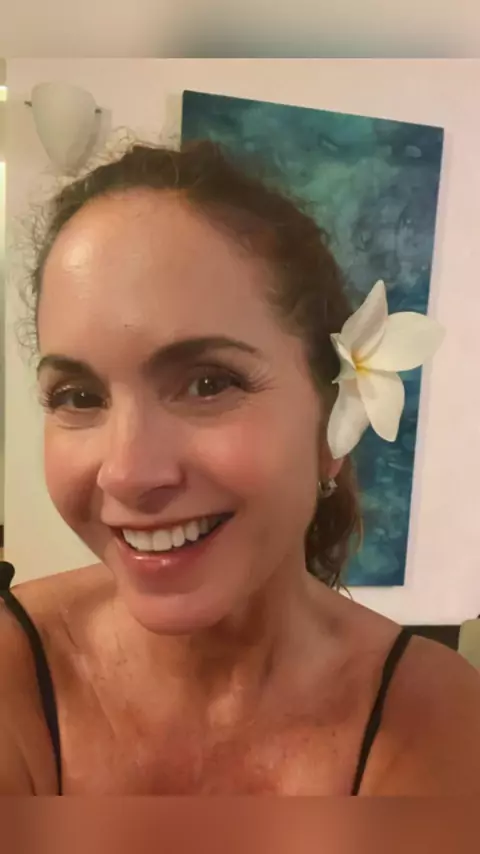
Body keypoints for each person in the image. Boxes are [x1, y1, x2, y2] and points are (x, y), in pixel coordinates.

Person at [1, 140, 480, 796]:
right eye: (79, 397)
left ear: (332, 425)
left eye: (208, 383)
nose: (127, 474)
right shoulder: (15, 673)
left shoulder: (435, 719)